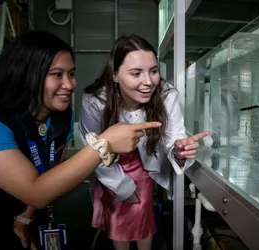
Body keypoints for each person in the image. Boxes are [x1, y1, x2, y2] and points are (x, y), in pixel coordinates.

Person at [0, 30, 162, 250]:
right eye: (57, 74)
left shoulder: (60, 117)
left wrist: (24, 218)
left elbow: (48, 173)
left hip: (23, 221)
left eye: (71, 74)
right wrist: (104, 144)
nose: (70, 84)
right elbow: (36, 191)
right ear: (26, 74)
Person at [78, 34, 209, 250]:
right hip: (109, 167)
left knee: (142, 216)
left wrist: (179, 151)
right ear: (115, 75)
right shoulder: (96, 102)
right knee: (117, 220)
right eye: (136, 73)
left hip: (144, 167)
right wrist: (122, 186)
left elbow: (174, 139)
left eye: (154, 71)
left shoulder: (166, 96)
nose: (148, 82)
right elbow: (92, 150)